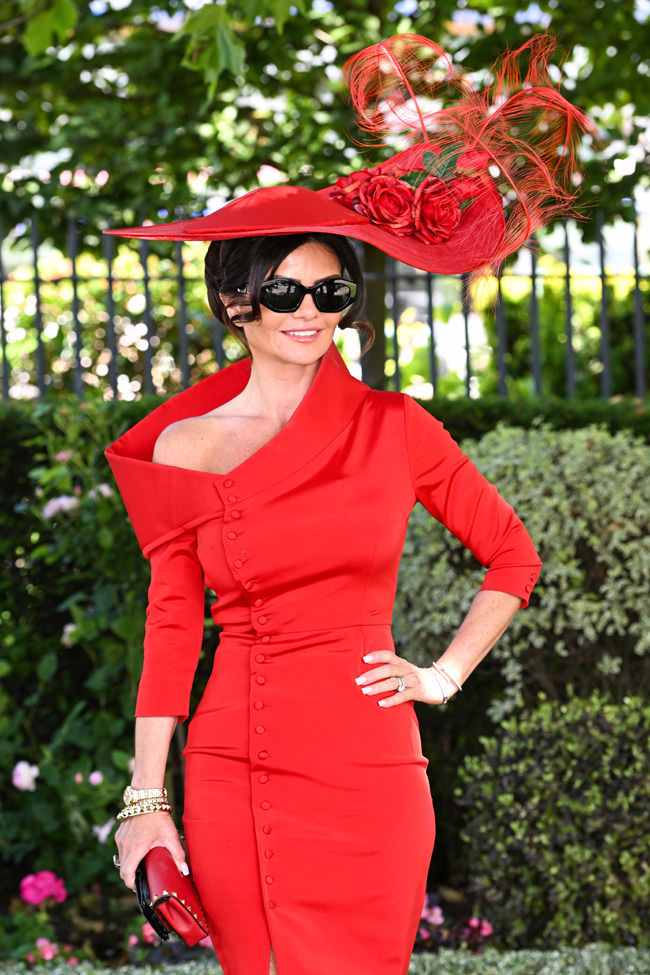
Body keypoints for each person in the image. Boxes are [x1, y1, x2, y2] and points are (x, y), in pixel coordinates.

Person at [104, 33, 592, 975]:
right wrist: (144, 801)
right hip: (233, 769)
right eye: (284, 287)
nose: (310, 310)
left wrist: (443, 674)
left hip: (372, 773)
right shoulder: (184, 447)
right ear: (236, 299)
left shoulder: (395, 426)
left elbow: (514, 556)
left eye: (331, 290)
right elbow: (173, 631)